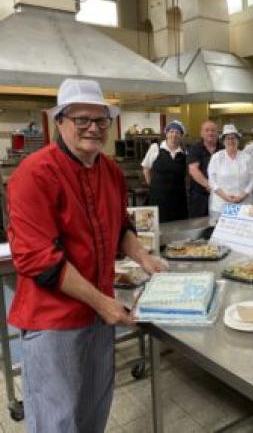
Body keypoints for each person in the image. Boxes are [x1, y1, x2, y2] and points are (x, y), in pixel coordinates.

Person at [6, 78, 165, 432]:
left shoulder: (108, 170)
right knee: (57, 421)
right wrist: (104, 303)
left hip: (98, 313)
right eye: (81, 120)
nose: (92, 128)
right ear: (60, 121)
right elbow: (39, 259)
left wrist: (144, 258)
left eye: (100, 120)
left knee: (95, 409)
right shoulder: (34, 174)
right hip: (54, 321)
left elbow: (120, 225)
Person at [141, 120, 188, 222]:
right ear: (166, 133)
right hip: (158, 196)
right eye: (171, 131)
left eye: (177, 132)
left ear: (181, 136)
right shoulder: (155, 148)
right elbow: (146, 168)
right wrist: (152, 185)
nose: (174, 135)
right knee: (159, 224)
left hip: (178, 198)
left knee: (178, 225)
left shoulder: (184, 152)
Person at [207, 124, 253, 217]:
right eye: (228, 138)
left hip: (244, 203)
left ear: (238, 140)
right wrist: (225, 197)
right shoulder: (217, 157)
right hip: (221, 204)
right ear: (223, 141)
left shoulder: (247, 157)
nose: (231, 141)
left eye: (233, 138)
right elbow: (212, 181)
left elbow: (252, 180)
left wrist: (241, 196)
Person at [188, 119, 222, 218]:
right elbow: (193, 170)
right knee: (198, 226)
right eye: (207, 130)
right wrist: (210, 186)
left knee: (218, 224)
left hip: (220, 196)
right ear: (201, 133)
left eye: (213, 130)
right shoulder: (195, 149)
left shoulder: (223, 148)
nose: (210, 133)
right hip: (199, 197)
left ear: (217, 133)